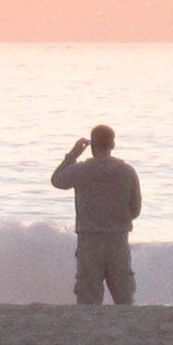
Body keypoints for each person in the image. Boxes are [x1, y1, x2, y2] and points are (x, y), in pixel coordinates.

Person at [50, 124, 142, 305]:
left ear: (92, 145)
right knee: (124, 299)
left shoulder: (80, 170)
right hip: (118, 240)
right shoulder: (127, 171)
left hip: (90, 241)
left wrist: (73, 155)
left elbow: (57, 180)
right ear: (112, 144)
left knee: (88, 300)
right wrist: (117, 219)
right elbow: (135, 209)